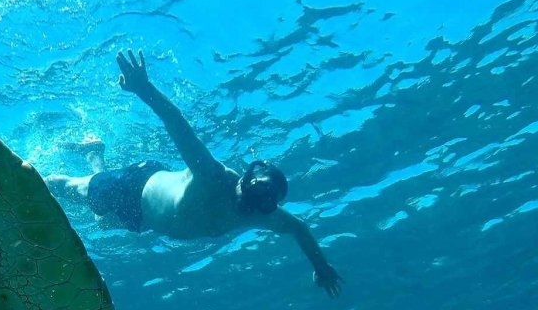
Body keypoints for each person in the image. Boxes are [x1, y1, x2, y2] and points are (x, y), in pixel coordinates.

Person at [44, 50, 343, 296]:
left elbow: (299, 228)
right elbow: (178, 126)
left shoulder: (261, 214)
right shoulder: (213, 176)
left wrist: (321, 266)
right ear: (245, 176)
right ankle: (20, 179)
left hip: (147, 219)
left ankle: (94, 151)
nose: (250, 202)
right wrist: (144, 89)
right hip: (135, 186)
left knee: (100, 221)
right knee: (71, 189)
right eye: (253, 189)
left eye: (263, 202)